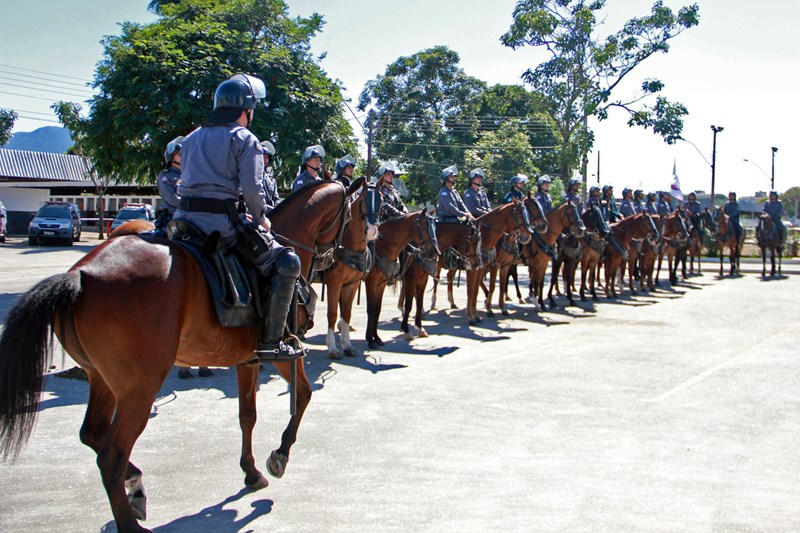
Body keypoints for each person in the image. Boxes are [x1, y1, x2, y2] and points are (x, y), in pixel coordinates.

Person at [172, 73, 301, 360]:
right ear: (246, 110)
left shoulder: (191, 138)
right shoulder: (245, 139)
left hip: (182, 223)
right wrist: (261, 219)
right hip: (221, 224)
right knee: (288, 262)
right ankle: (270, 342)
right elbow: (253, 191)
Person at [154, 136, 184, 235]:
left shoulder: (189, 175)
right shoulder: (165, 175)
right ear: (171, 158)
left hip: (190, 214)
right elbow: (171, 198)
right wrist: (192, 204)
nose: (184, 157)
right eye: (180, 155)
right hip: (172, 216)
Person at [260, 140, 280, 213]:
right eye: (263, 156)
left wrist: (278, 207)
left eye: (267, 157)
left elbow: (276, 198)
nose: (265, 160)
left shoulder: (272, 180)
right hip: (257, 214)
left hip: (272, 214)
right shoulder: (252, 176)